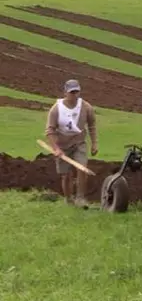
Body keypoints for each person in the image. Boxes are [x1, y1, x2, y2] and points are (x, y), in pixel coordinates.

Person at [45, 79, 98, 208]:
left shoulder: (86, 107)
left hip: (79, 143)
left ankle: (80, 198)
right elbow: (50, 130)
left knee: (81, 168)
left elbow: (92, 125)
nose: (74, 95)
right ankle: (69, 199)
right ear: (65, 93)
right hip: (62, 146)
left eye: (76, 92)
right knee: (66, 175)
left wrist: (94, 143)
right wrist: (56, 149)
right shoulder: (56, 109)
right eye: (71, 92)